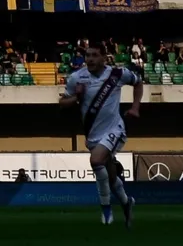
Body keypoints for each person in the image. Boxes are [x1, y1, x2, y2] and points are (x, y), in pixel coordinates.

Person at [59, 42, 143, 227]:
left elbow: (138, 82)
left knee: (96, 161)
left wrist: (135, 107)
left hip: (115, 129)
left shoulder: (117, 74)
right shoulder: (77, 78)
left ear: (104, 58)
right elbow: (62, 103)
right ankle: (127, 202)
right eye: (88, 55)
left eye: (94, 55)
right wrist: (77, 98)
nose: (90, 59)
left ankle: (106, 210)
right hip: (92, 134)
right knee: (111, 177)